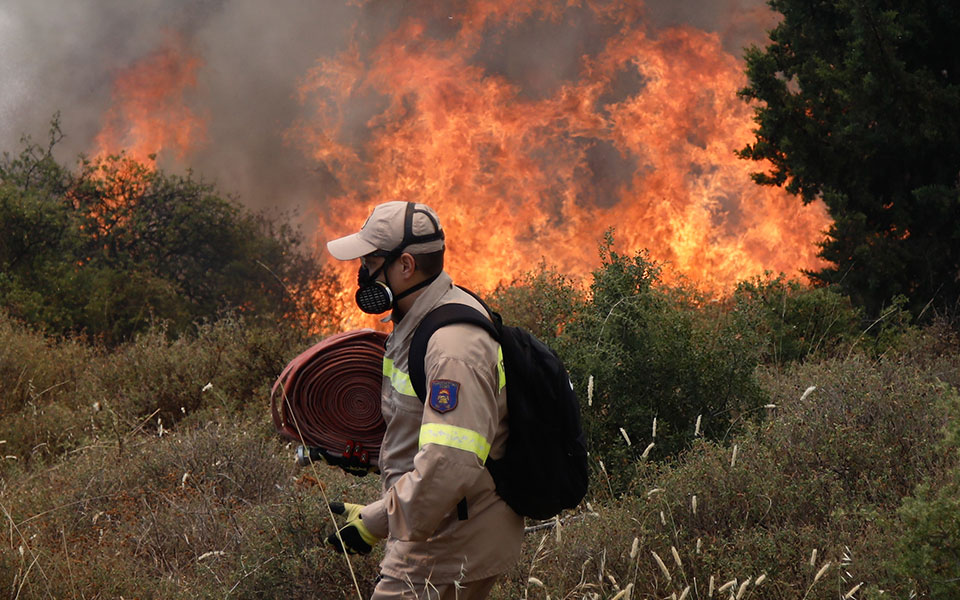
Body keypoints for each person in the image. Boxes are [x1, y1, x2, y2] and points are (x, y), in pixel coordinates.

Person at [324, 201, 524, 600]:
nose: (363, 272)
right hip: (437, 522)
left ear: (406, 266)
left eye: (371, 260)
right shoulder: (420, 319)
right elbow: (425, 427)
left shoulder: (452, 346)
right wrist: (370, 459)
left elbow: (449, 464)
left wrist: (376, 520)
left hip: (449, 537)